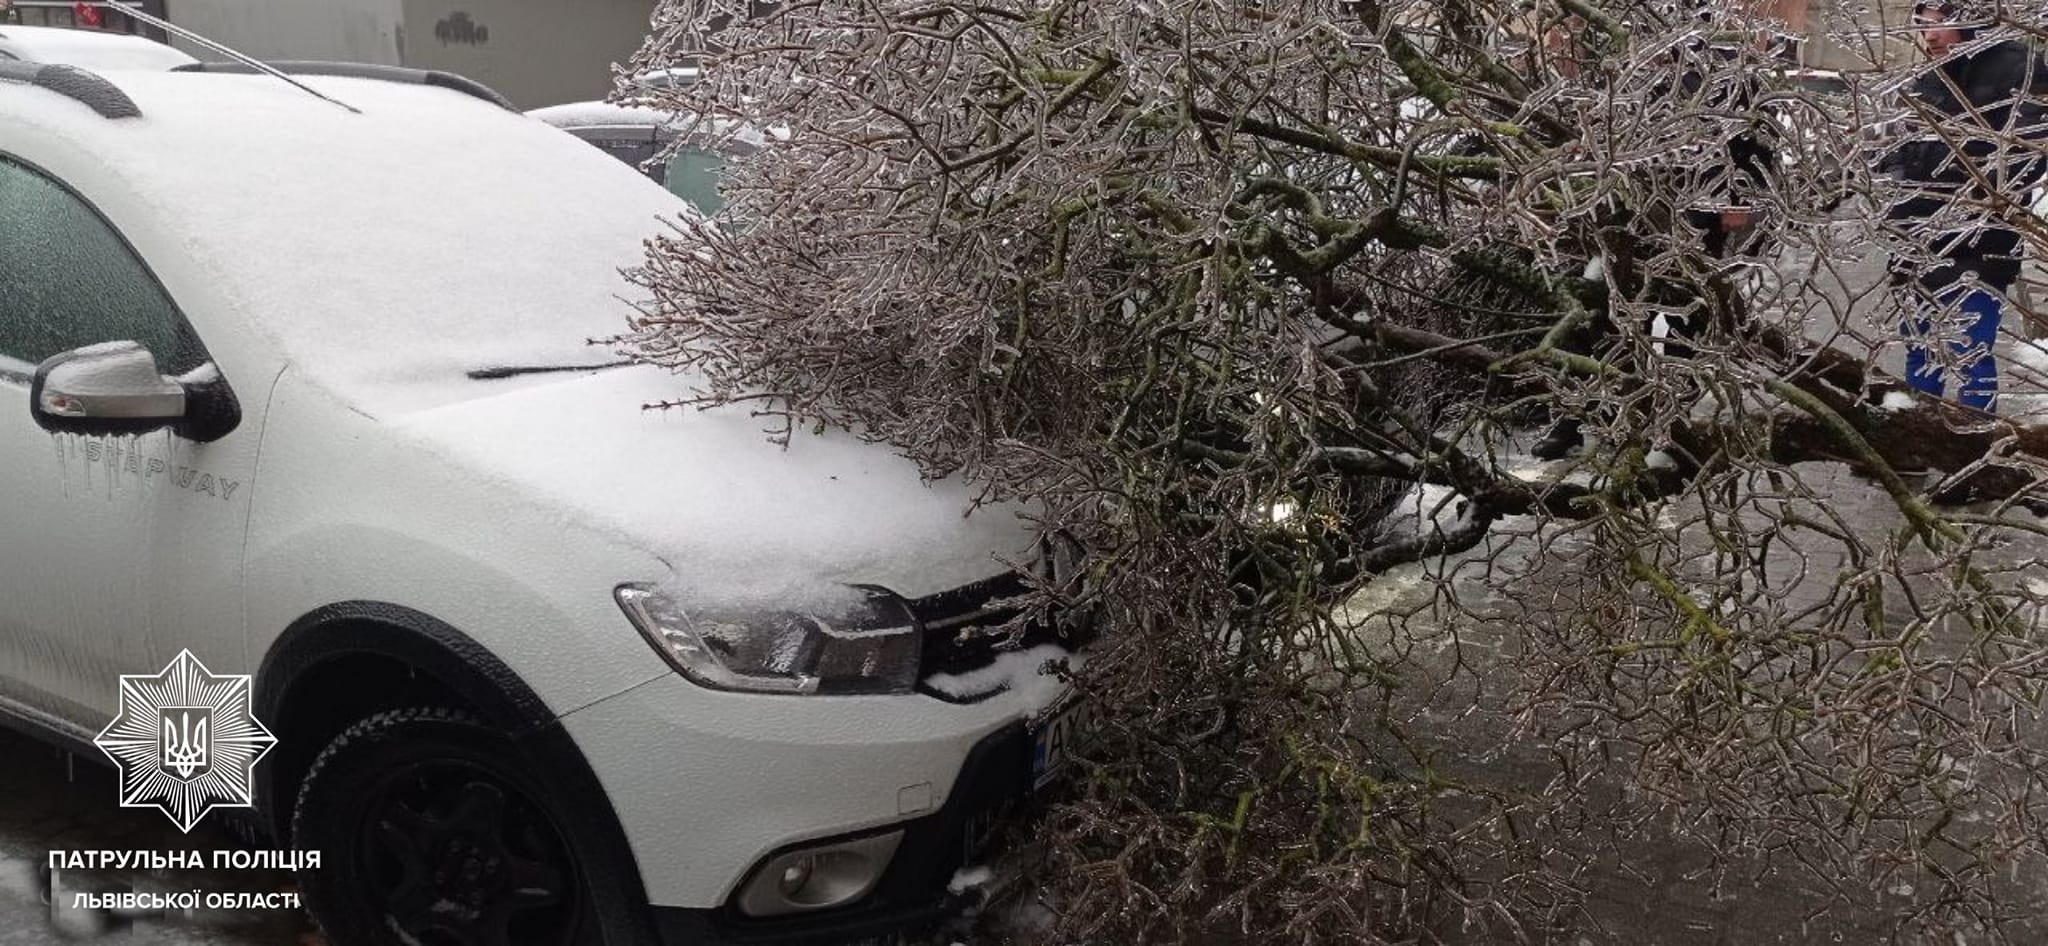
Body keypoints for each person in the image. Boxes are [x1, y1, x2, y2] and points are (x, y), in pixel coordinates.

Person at [1880, 1, 2048, 412]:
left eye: (1941, 24)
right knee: (1920, 347)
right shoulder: (1928, 75)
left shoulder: (2020, 68)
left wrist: (1971, 190)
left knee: (1970, 351)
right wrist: (1898, 179)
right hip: (1916, 236)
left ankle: (1976, 443)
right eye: (1924, 25)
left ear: (1970, 21)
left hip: (1979, 238)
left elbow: (2029, 152)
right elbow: (1897, 144)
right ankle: (1917, 437)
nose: (1930, 35)